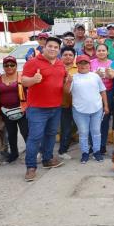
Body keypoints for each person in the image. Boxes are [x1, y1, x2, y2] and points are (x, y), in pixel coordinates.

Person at [22, 36, 66, 182]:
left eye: (56, 47)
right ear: (44, 47)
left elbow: (63, 82)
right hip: (37, 108)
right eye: (50, 46)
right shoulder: (33, 63)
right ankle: (31, 167)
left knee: (51, 134)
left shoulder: (60, 64)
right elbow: (23, 81)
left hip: (55, 107)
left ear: (59, 50)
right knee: (35, 137)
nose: (53, 49)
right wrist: (33, 80)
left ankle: (47, 159)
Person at [65, 55, 108, 163]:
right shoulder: (73, 77)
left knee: (96, 131)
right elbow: (66, 91)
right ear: (77, 65)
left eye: (85, 63)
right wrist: (68, 81)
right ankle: (85, 152)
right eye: (81, 63)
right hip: (79, 111)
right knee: (83, 132)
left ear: (89, 64)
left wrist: (106, 106)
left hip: (97, 109)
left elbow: (102, 91)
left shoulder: (95, 76)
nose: (83, 65)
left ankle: (96, 152)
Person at [0, 56, 28, 163]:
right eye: (6, 65)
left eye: (12, 65)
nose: (9, 67)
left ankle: (32, 152)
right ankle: (14, 154)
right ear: (3, 66)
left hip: (22, 110)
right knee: (11, 134)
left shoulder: (22, 76)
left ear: (16, 66)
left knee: (26, 133)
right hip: (5, 111)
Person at [91, 44, 114, 154]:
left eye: (103, 50)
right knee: (93, 121)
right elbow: (86, 76)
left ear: (107, 52)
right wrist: (95, 74)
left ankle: (102, 145)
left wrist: (110, 74)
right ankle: (93, 145)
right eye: (99, 50)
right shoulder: (91, 63)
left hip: (108, 93)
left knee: (104, 121)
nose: (101, 52)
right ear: (96, 52)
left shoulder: (112, 63)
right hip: (94, 94)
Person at [58, 46, 77, 160]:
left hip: (76, 103)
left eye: (70, 55)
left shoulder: (79, 68)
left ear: (74, 57)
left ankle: (66, 144)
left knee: (73, 127)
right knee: (65, 128)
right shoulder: (57, 68)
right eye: (65, 55)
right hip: (61, 103)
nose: (68, 57)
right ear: (61, 56)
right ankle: (62, 150)